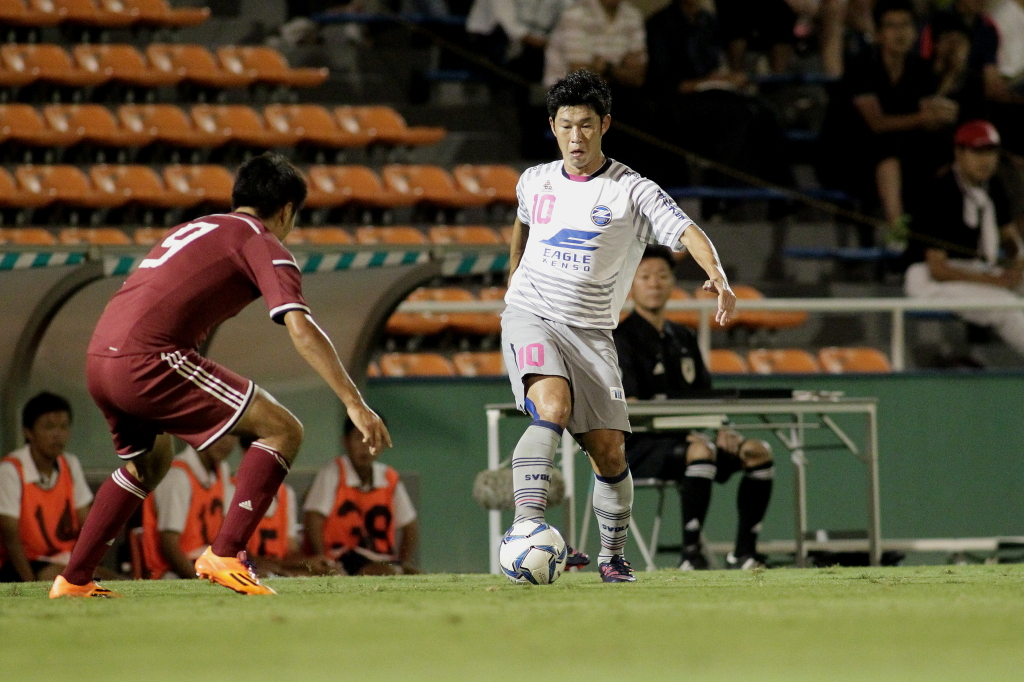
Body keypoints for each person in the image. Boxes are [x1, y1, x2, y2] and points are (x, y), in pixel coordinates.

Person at [50, 153, 391, 598]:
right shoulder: (261, 241)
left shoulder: (196, 227)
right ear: (287, 210)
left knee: (150, 461)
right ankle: (226, 553)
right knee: (283, 430)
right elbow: (301, 328)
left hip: (100, 359)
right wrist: (354, 402)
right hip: (148, 359)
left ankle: (74, 579)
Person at [501, 70, 735, 583]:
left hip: (591, 332)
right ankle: (526, 528)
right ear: (553, 126)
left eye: (586, 125)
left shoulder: (632, 190)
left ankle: (612, 556)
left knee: (609, 451)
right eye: (566, 126)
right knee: (553, 406)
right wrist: (513, 272)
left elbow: (687, 230)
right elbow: (523, 220)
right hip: (531, 315)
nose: (576, 138)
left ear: (604, 124)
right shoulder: (535, 179)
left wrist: (716, 274)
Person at [613, 246, 775, 570]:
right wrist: (688, 433)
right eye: (645, 277)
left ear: (672, 282)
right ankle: (690, 555)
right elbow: (630, 406)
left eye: (662, 276)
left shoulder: (684, 337)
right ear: (631, 284)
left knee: (758, 451)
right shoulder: (621, 338)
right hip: (641, 446)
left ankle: (743, 553)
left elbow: (705, 395)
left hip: (691, 438)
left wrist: (723, 427)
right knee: (700, 451)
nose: (654, 283)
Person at [818, 0, 959, 241]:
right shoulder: (862, 66)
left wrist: (943, 113)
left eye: (905, 25)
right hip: (848, 152)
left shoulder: (919, 69)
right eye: (892, 26)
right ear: (879, 34)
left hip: (900, 152)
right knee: (886, 148)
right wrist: (925, 117)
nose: (899, 33)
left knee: (941, 150)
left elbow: (928, 116)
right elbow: (877, 123)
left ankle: (942, 229)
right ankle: (896, 228)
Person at [645, 0, 795, 192]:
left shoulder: (708, 21)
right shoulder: (660, 24)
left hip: (713, 94)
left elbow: (715, 64)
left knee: (763, 110)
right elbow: (663, 82)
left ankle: (784, 190)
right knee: (737, 115)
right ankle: (731, 192)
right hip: (678, 102)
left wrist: (727, 79)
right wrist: (706, 81)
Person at [905, 119, 1024, 356]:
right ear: (959, 153)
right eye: (977, 152)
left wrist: (1018, 264)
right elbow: (938, 269)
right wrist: (996, 281)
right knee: (1006, 307)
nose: (986, 160)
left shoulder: (993, 186)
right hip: (931, 279)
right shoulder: (938, 191)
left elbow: (1010, 240)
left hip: (978, 271)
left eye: (991, 152)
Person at [303, 417, 420, 576]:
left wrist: (403, 561)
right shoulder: (333, 473)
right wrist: (324, 561)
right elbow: (313, 517)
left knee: (416, 575)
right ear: (345, 441)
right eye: (359, 438)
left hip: (382, 557)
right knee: (387, 573)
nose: (365, 446)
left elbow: (410, 527)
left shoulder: (389, 477)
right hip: (342, 556)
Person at [0, 393, 97, 583]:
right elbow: (10, 536)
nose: (58, 435)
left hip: (64, 561)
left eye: (64, 427)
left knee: (113, 581)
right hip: (23, 564)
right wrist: (31, 586)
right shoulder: (11, 470)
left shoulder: (70, 464)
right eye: (49, 427)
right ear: (28, 432)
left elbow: (87, 524)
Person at [140, 437, 236, 579]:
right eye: (221, 431)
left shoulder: (222, 470)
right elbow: (169, 546)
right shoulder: (177, 476)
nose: (226, 441)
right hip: (171, 573)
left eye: (233, 434)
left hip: (209, 565)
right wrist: (201, 584)